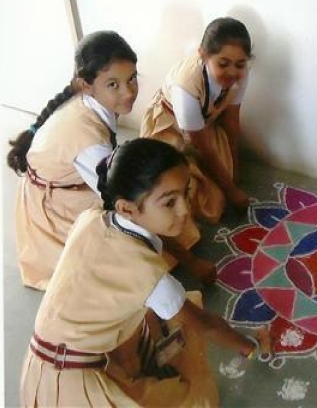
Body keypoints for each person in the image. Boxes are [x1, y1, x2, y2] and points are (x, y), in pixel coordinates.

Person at [20, 138, 271, 407]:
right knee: (197, 397)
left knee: (157, 318)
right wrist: (249, 345)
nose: (185, 210)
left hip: (41, 362)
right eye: (169, 202)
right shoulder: (147, 274)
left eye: (186, 193)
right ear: (127, 208)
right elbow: (205, 324)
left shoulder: (93, 217)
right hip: (70, 387)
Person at [6, 31, 213, 290]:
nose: (129, 92)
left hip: (76, 183)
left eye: (132, 79)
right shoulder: (88, 141)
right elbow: (127, 208)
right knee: (133, 247)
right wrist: (192, 262)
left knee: (165, 206)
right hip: (56, 210)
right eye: (113, 84)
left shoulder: (92, 104)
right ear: (86, 85)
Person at [140, 16, 252, 225]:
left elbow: (231, 123)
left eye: (240, 64)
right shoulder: (186, 84)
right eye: (223, 64)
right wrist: (231, 190)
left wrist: (235, 172)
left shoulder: (241, 74)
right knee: (201, 203)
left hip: (204, 127)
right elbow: (201, 147)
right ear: (203, 55)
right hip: (170, 128)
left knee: (220, 187)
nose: (232, 72)